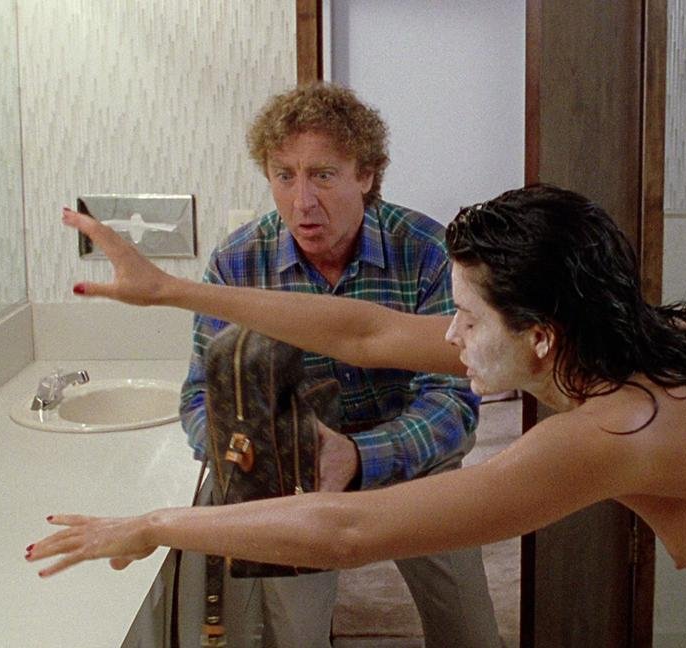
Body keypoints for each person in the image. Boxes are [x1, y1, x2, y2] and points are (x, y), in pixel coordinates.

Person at [31, 185, 686, 647]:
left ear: (541, 336)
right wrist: (173, 291)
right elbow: (364, 331)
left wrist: (155, 523)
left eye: (469, 319)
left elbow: (351, 530)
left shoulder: (619, 430)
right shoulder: (631, 346)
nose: (449, 336)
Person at [175, 83, 499, 647]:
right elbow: (201, 396)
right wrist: (257, 457)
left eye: (322, 175)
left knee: (468, 631)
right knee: (296, 632)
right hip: (294, 474)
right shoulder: (237, 262)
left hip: (413, 462)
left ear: (366, 174)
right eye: (284, 175)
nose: (302, 201)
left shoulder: (427, 250)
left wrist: (358, 456)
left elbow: (454, 398)